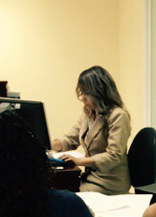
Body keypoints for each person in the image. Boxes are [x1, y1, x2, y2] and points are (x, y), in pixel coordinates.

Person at [52, 66, 131, 194]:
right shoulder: (88, 114)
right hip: (89, 177)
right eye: (81, 92)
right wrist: (48, 144)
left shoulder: (118, 116)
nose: (82, 98)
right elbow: (70, 139)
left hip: (109, 182)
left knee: (65, 196)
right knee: (57, 190)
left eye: (87, 93)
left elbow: (113, 155)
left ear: (100, 92)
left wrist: (80, 161)